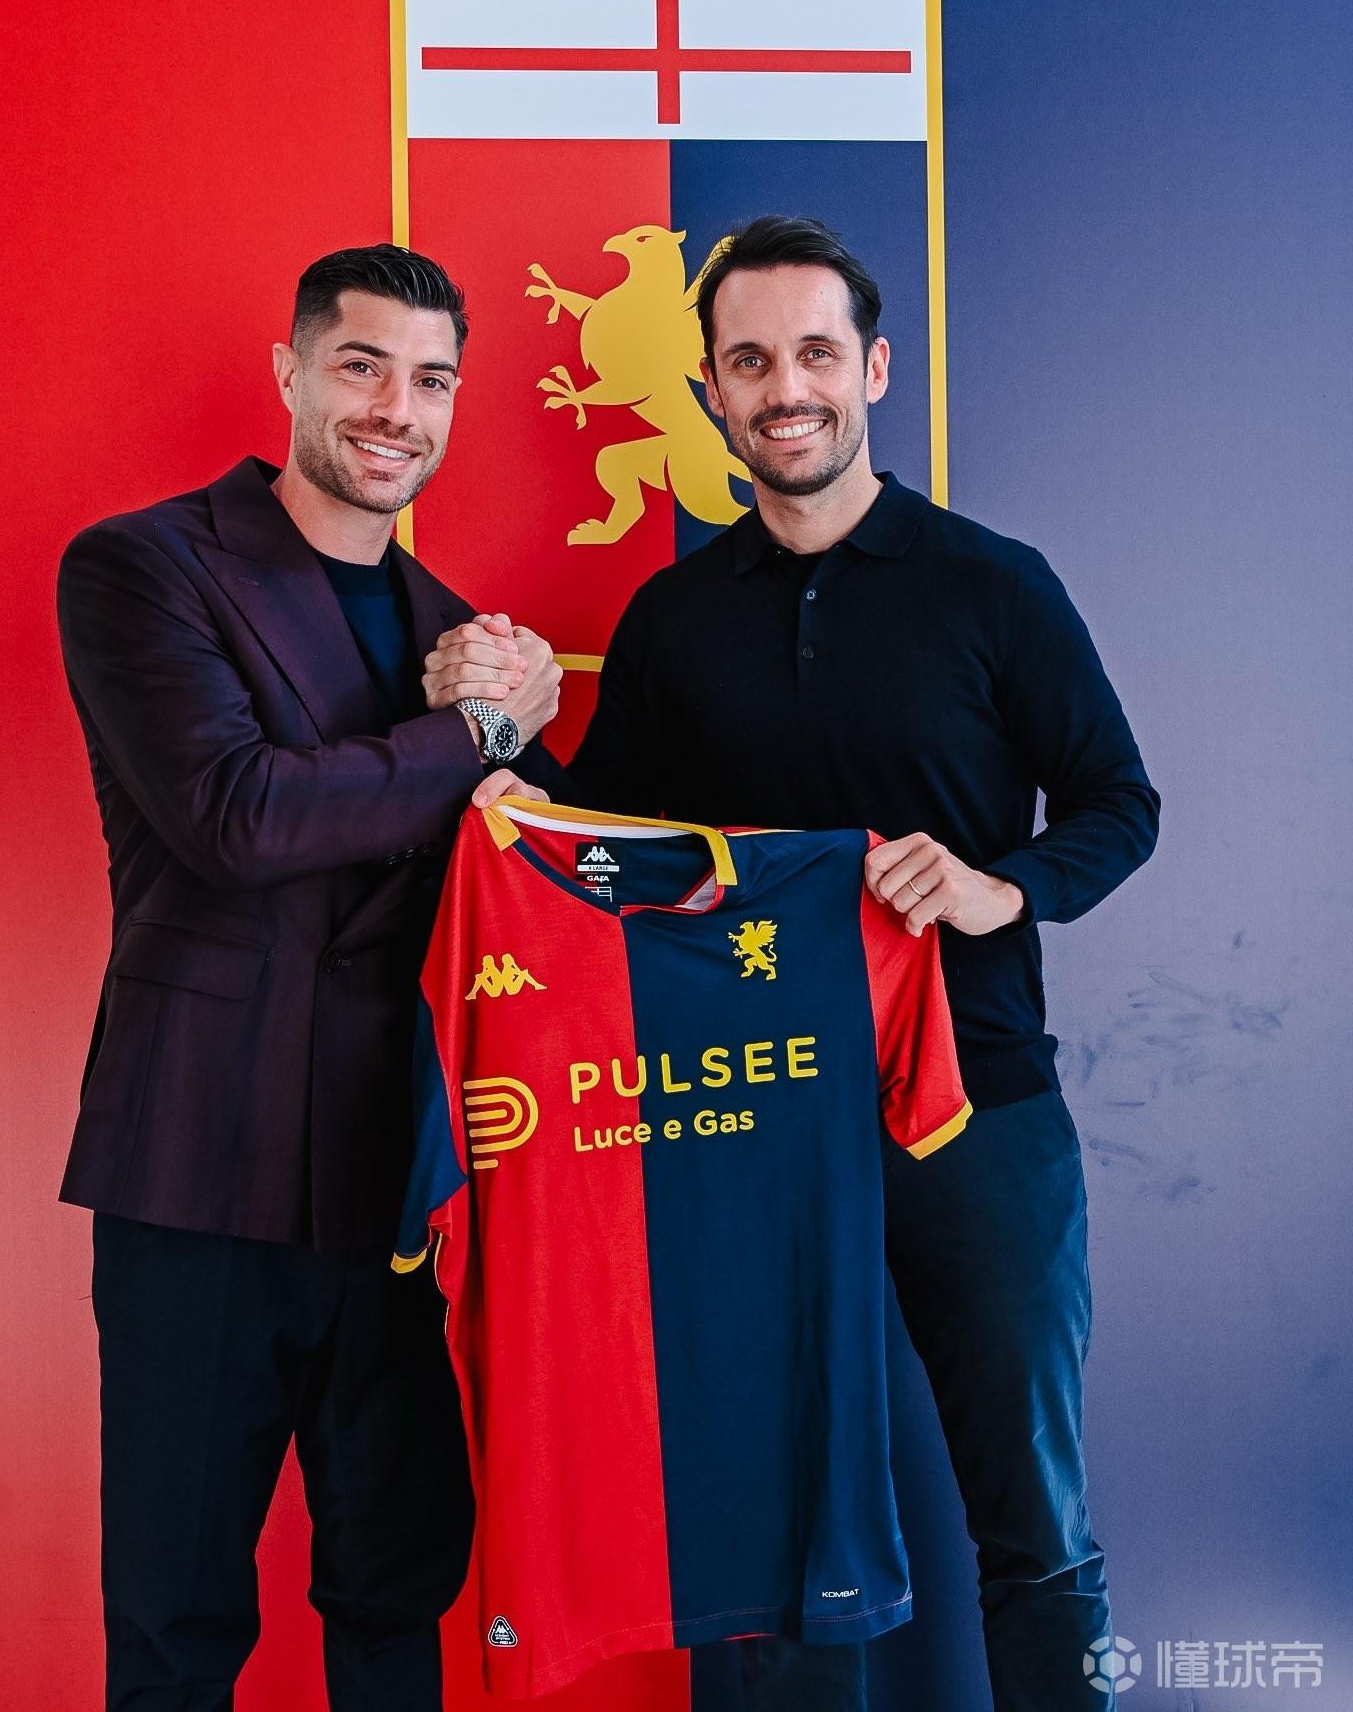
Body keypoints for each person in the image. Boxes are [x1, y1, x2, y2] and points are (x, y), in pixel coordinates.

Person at [446, 215, 1161, 1711]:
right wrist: (512, 755)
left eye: (817, 353)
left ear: (874, 369)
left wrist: (999, 888)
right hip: (750, 1121)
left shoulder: (995, 585)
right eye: (752, 360)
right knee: (774, 1532)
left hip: (980, 1109)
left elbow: (1120, 805)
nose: (788, 389)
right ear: (711, 389)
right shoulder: (673, 618)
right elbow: (610, 860)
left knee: (1034, 1517)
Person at [56, 242, 562, 1710]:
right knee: (176, 1616)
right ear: (289, 374)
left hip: (396, 1185)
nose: (397, 409)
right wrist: (478, 737)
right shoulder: (143, 566)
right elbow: (239, 817)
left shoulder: (459, 635)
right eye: (362, 365)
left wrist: (530, 754)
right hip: (199, 1169)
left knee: (398, 1594)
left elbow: (534, 878)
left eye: (432, 380)